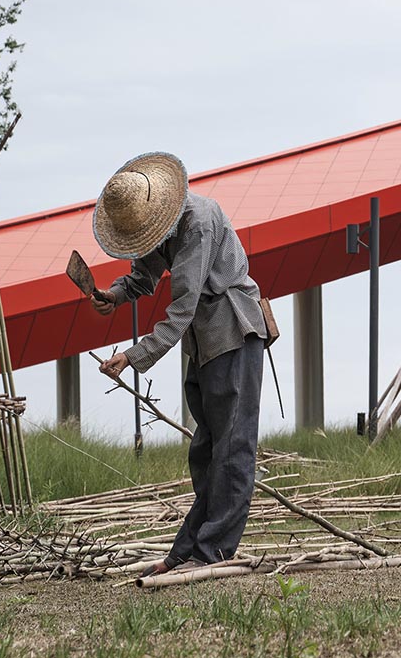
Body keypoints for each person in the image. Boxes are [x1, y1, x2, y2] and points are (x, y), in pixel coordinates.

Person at [88, 152, 268, 577]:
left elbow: (182, 307)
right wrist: (114, 295)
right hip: (202, 343)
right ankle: (188, 548)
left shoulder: (199, 222)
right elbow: (144, 274)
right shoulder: (163, 228)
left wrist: (133, 355)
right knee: (206, 448)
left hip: (231, 332)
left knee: (232, 447)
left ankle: (213, 553)